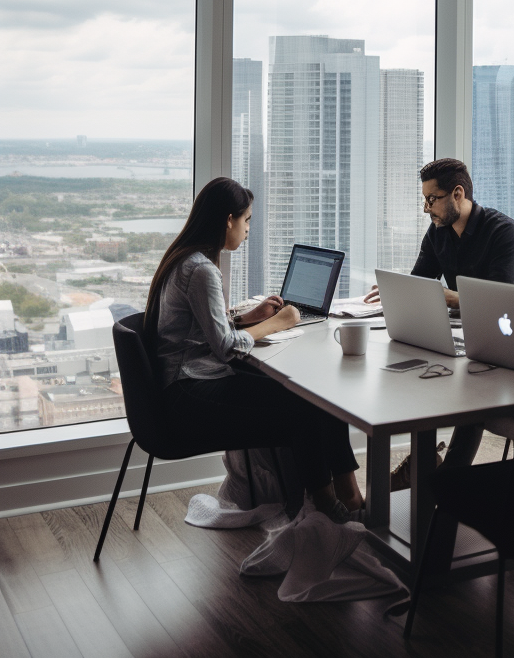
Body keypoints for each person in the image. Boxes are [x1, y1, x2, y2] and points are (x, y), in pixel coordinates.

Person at [146, 177, 363, 520]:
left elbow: (200, 331)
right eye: (246, 220)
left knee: (312, 397)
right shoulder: (201, 269)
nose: (248, 229)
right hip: (188, 393)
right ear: (228, 220)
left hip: (182, 382)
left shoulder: (184, 258)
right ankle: (331, 508)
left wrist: (248, 318)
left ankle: (343, 500)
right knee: (308, 404)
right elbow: (224, 348)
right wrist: (278, 322)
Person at [363, 158, 514, 480]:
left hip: (506, 340)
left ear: (458, 194)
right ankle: (430, 469)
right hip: (464, 336)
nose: (426, 209)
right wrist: (396, 292)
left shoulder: (503, 230)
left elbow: (499, 301)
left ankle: (441, 476)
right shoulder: (438, 232)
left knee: (468, 386)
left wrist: (451, 297)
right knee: (416, 375)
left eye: (431, 199)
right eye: (425, 200)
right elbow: (420, 282)